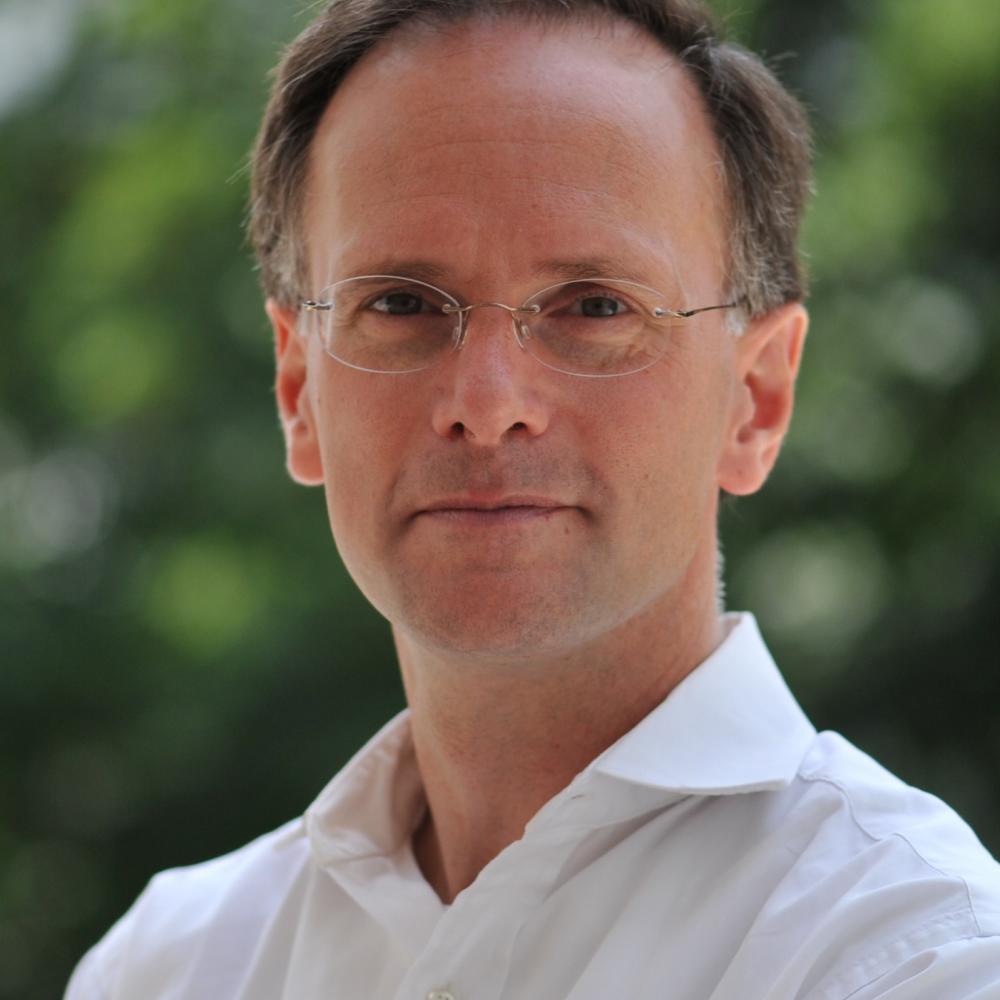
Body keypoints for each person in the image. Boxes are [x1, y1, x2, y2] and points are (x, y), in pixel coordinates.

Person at [66, 0, 1000, 997]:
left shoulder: (914, 954)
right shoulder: (166, 966)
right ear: (299, 390)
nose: (486, 404)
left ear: (755, 399)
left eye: (595, 306)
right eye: (401, 304)